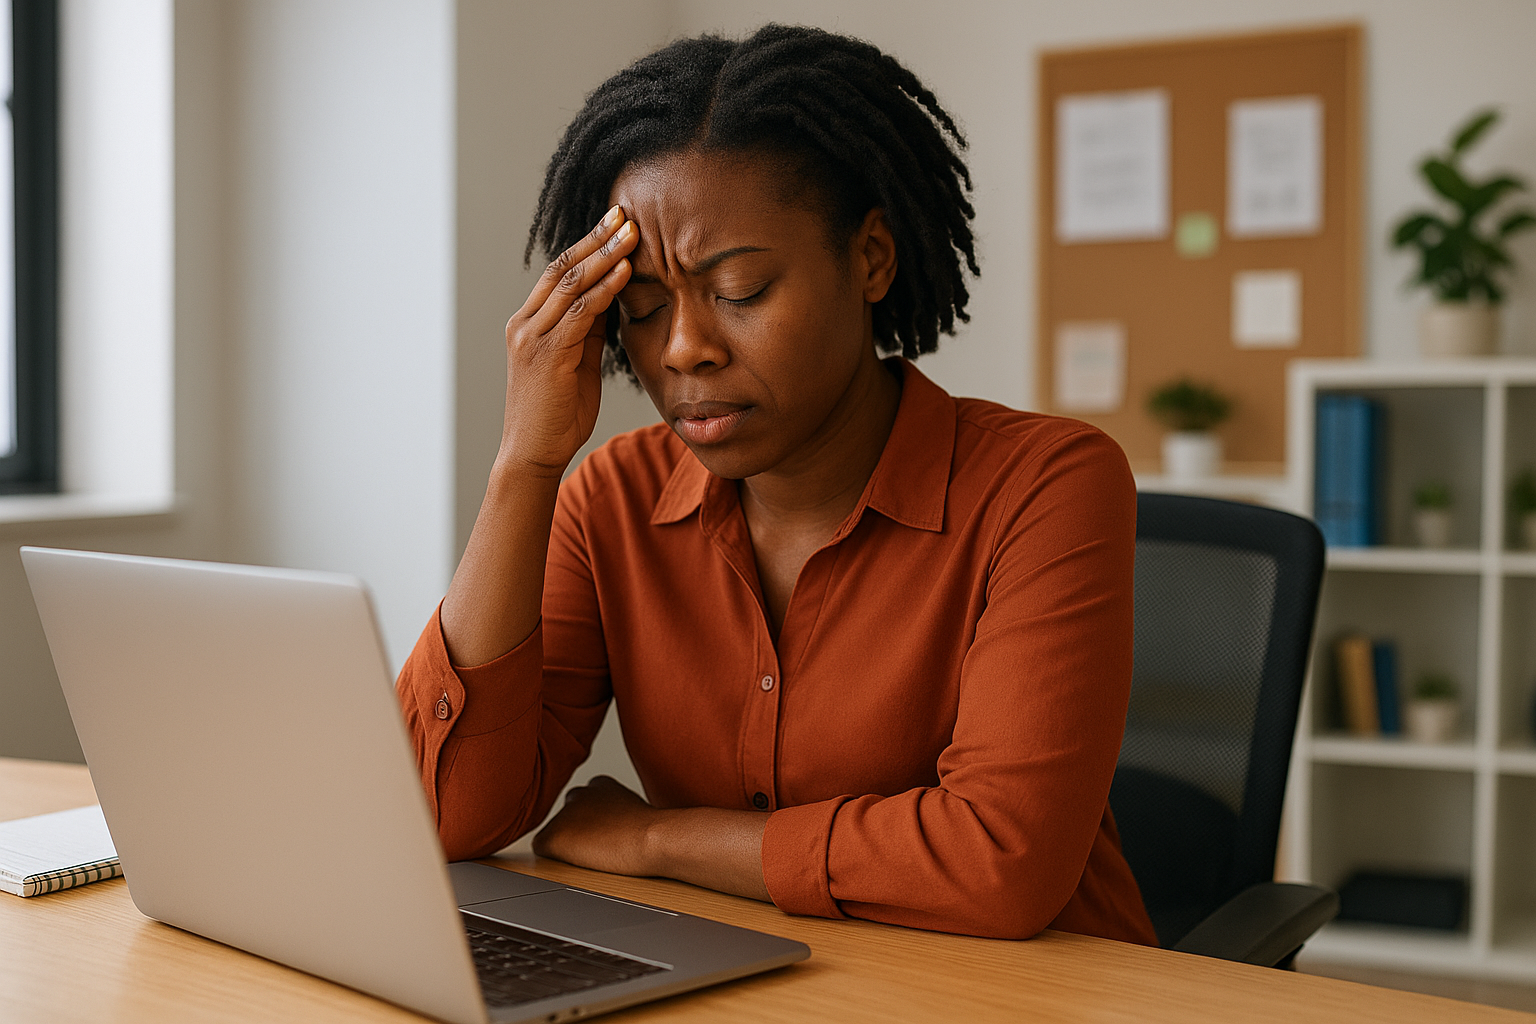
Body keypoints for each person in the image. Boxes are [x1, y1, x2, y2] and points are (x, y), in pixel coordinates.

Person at [397, 24, 1157, 945]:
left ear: (871, 259)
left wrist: (658, 839)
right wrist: (525, 463)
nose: (682, 348)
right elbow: (446, 818)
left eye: (742, 290)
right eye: (640, 308)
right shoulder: (611, 503)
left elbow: (999, 861)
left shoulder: (1045, 487)